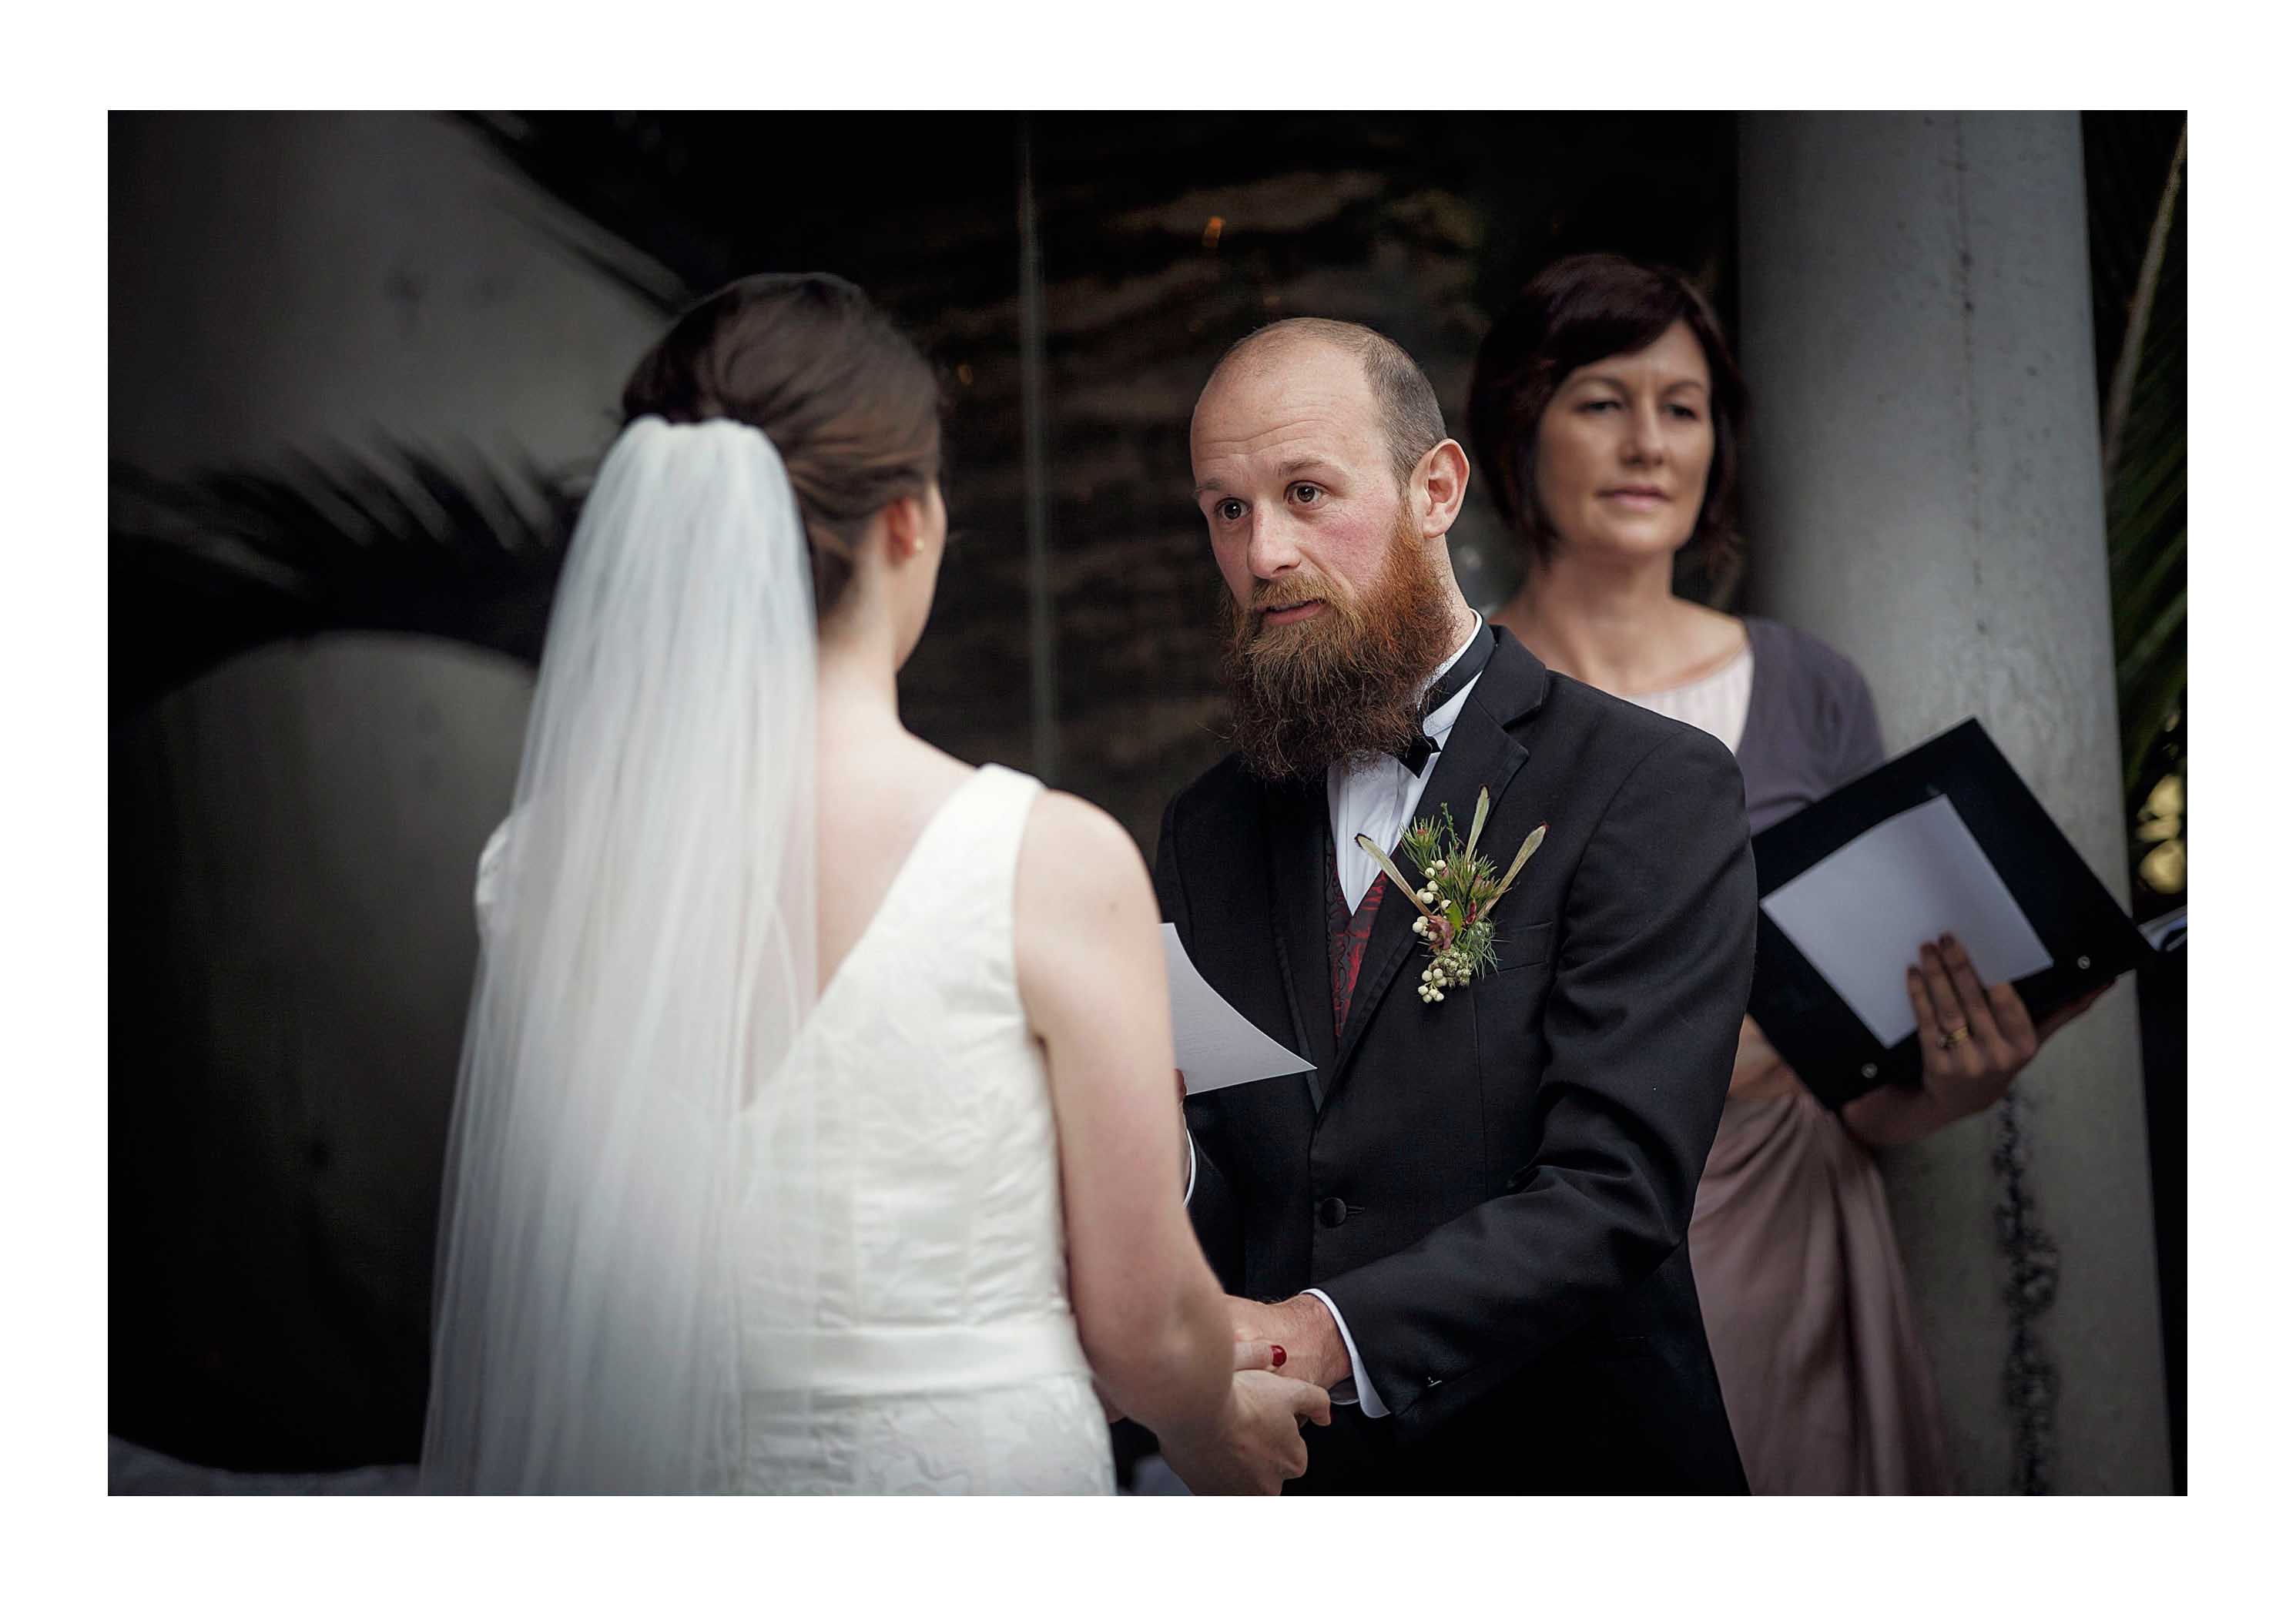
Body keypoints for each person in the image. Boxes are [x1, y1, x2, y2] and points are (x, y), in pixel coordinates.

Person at [421, 273, 1327, 1495]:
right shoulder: (1040, 859)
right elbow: (1141, 1327)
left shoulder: (535, 866)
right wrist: (1210, 1424)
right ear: (908, 520)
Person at [1466, 252, 2105, 1494]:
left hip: (1796, 1262)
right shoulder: (1453, 713)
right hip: (1549, 1265)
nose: (1648, 442)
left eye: (1683, 407)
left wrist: (1957, 1078)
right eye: (1602, 401)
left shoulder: (1810, 687)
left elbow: (1859, 1097)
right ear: (1516, 430)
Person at [1152, 316, 1756, 1494]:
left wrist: (1326, 1333)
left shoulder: (1645, 785)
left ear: (1435, 489)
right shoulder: (1206, 824)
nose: (1263, 550)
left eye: (1306, 492)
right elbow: (1231, 1168)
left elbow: (1615, 1189)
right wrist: (1149, 1144)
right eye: (1226, 509)